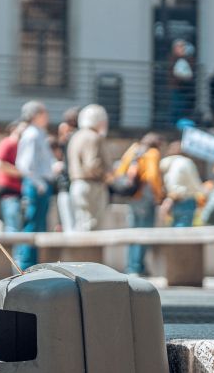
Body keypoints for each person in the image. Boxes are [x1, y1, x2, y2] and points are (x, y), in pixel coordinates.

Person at [15, 101, 58, 270]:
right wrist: (40, 184)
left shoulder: (38, 134)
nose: (47, 116)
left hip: (39, 184)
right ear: (36, 115)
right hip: (36, 186)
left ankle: (32, 265)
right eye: (44, 112)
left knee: (38, 226)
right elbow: (24, 165)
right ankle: (26, 265)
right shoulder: (32, 135)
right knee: (32, 225)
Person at [117, 133, 163, 275]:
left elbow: (119, 171)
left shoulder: (133, 150)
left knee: (133, 232)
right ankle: (137, 267)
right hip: (146, 196)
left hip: (132, 196)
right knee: (145, 233)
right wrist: (159, 195)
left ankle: (131, 266)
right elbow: (152, 176)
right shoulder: (153, 153)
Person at [67, 104, 111, 231]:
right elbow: (92, 164)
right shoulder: (93, 137)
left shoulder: (76, 136)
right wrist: (106, 175)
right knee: (92, 225)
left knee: (81, 223)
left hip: (76, 183)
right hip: (91, 185)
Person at [0, 121, 26, 232]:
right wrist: (20, 172)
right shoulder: (8, 143)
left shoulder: (21, 146)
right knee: (13, 228)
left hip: (17, 193)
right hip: (9, 193)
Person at [159, 141, 202, 227]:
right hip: (186, 198)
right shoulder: (186, 162)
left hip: (172, 199)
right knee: (184, 229)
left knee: (175, 226)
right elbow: (195, 184)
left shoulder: (166, 164)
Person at [55, 106, 80, 232]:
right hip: (72, 184)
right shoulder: (76, 137)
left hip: (67, 185)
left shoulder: (70, 138)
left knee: (70, 226)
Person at [169, 39, 195, 125]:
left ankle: (178, 125)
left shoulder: (185, 59)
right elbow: (176, 73)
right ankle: (173, 126)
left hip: (183, 89)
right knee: (176, 108)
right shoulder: (174, 59)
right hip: (177, 88)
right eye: (181, 46)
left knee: (182, 108)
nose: (183, 49)